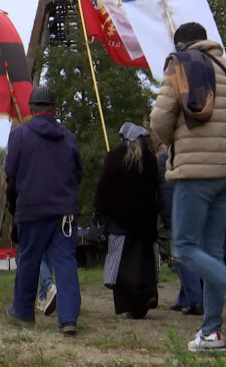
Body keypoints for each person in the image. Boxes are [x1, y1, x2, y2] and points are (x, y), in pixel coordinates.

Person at [150, 22, 226, 352]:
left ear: (180, 43)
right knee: (212, 252)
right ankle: (211, 331)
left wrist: (171, 141)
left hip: (195, 170)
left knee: (186, 248)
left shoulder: (179, 64)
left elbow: (161, 120)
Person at [5, 85, 83, 335]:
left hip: (32, 209)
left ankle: (23, 311)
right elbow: (77, 173)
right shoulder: (68, 137)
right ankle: (68, 318)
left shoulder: (19, 135)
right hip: (64, 211)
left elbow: (11, 173)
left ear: (30, 108)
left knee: (29, 259)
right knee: (65, 261)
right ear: (54, 109)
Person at [94, 122, 160, 319]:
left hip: (120, 219)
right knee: (144, 260)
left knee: (123, 263)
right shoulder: (150, 160)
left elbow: (104, 186)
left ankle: (132, 302)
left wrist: (99, 210)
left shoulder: (114, 157)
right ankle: (148, 294)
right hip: (146, 220)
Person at [156, 144, 203, 315]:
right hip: (193, 209)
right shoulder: (188, 158)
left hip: (175, 213)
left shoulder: (162, 160)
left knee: (182, 256)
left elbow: (163, 192)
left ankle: (195, 300)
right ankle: (184, 298)